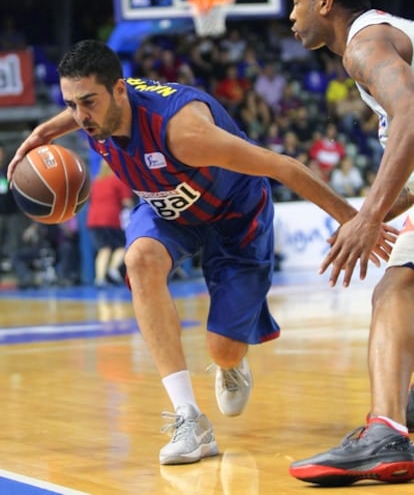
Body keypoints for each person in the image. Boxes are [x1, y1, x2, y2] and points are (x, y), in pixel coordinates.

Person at [7, 39, 394, 467]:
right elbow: (76, 111)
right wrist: (43, 132)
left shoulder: (184, 132)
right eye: (71, 105)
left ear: (120, 90)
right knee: (139, 260)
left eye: (88, 103)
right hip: (167, 210)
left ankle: (230, 362)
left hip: (234, 214)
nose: (81, 117)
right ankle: (188, 418)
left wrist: (356, 219)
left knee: (223, 349)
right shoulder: (94, 115)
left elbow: (282, 166)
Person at [288, 0, 414, 485]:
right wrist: (372, 213)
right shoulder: (386, 37)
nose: (291, 17)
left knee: (396, 287)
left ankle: (385, 429)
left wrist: (371, 216)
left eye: (296, 3)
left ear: (325, 2)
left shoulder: (364, 44)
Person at [87, 160, 134, 287]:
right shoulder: (118, 180)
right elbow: (126, 201)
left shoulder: (95, 182)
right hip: (110, 218)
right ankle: (113, 269)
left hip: (93, 219)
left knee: (103, 248)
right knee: (122, 245)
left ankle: (99, 278)